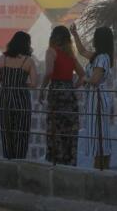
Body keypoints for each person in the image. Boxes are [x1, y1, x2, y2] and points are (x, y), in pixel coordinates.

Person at [39, 25, 86, 166]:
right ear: (67, 40)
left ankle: (55, 162)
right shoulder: (71, 55)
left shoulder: (51, 52)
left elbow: (48, 72)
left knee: (55, 128)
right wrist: (72, 87)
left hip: (56, 94)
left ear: (53, 37)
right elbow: (83, 75)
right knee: (70, 129)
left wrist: (42, 89)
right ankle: (69, 162)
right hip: (69, 96)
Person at [70, 24, 114, 170]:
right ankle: (101, 166)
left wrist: (84, 80)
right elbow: (82, 51)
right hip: (94, 98)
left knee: (99, 134)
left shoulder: (102, 58)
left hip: (98, 99)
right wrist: (75, 34)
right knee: (98, 133)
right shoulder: (100, 56)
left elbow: (95, 80)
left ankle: (100, 167)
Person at [0, 31, 38, 159]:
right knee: (21, 131)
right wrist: (22, 84)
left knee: (6, 132)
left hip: (5, 97)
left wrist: (6, 79)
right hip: (21, 99)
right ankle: (19, 161)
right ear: (26, 45)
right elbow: (34, 84)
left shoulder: (2, 59)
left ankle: (8, 160)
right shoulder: (28, 61)